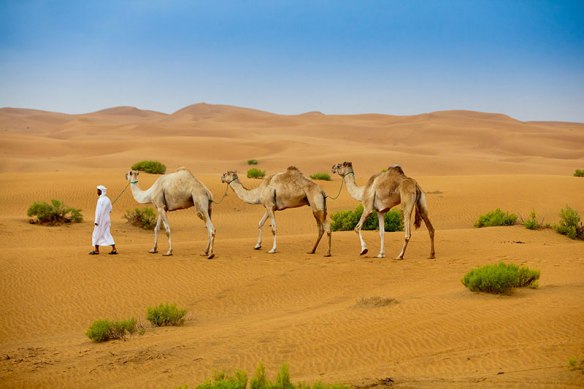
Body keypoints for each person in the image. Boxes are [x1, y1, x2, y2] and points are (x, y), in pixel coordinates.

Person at [89, 185, 118, 255]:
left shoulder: (100, 200)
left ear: (101, 191)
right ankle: (114, 249)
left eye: (98, 190)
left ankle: (96, 250)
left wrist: (96, 221)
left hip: (101, 220)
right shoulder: (107, 199)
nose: (97, 192)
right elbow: (110, 209)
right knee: (106, 233)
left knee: (96, 233)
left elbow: (98, 212)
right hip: (107, 219)